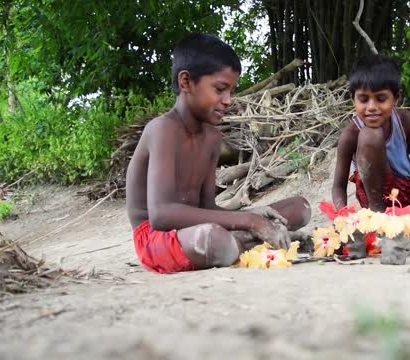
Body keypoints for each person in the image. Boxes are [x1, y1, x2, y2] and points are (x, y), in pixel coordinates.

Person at [126, 33, 311, 273]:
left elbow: (206, 207)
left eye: (231, 91)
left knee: (299, 207)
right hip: (156, 239)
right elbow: (162, 215)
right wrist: (249, 221)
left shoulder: (212, 138)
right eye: (220, 89)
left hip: (197, 228)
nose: (228, 100)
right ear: (186, 82)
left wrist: (251, 213)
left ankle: (248, 242)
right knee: (214, 240)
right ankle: (251, 242)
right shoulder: (162, 130)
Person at [331, 54, 410, 226]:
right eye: (363, 99)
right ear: (353, 98)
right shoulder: (350, 134)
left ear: (396, 98)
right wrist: (342, 214)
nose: (372, 107)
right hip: (374, 198)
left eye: (381, 99)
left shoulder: (406, 121)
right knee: (371, 135)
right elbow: (339, 185)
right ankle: (380, 217)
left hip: (408, 191)